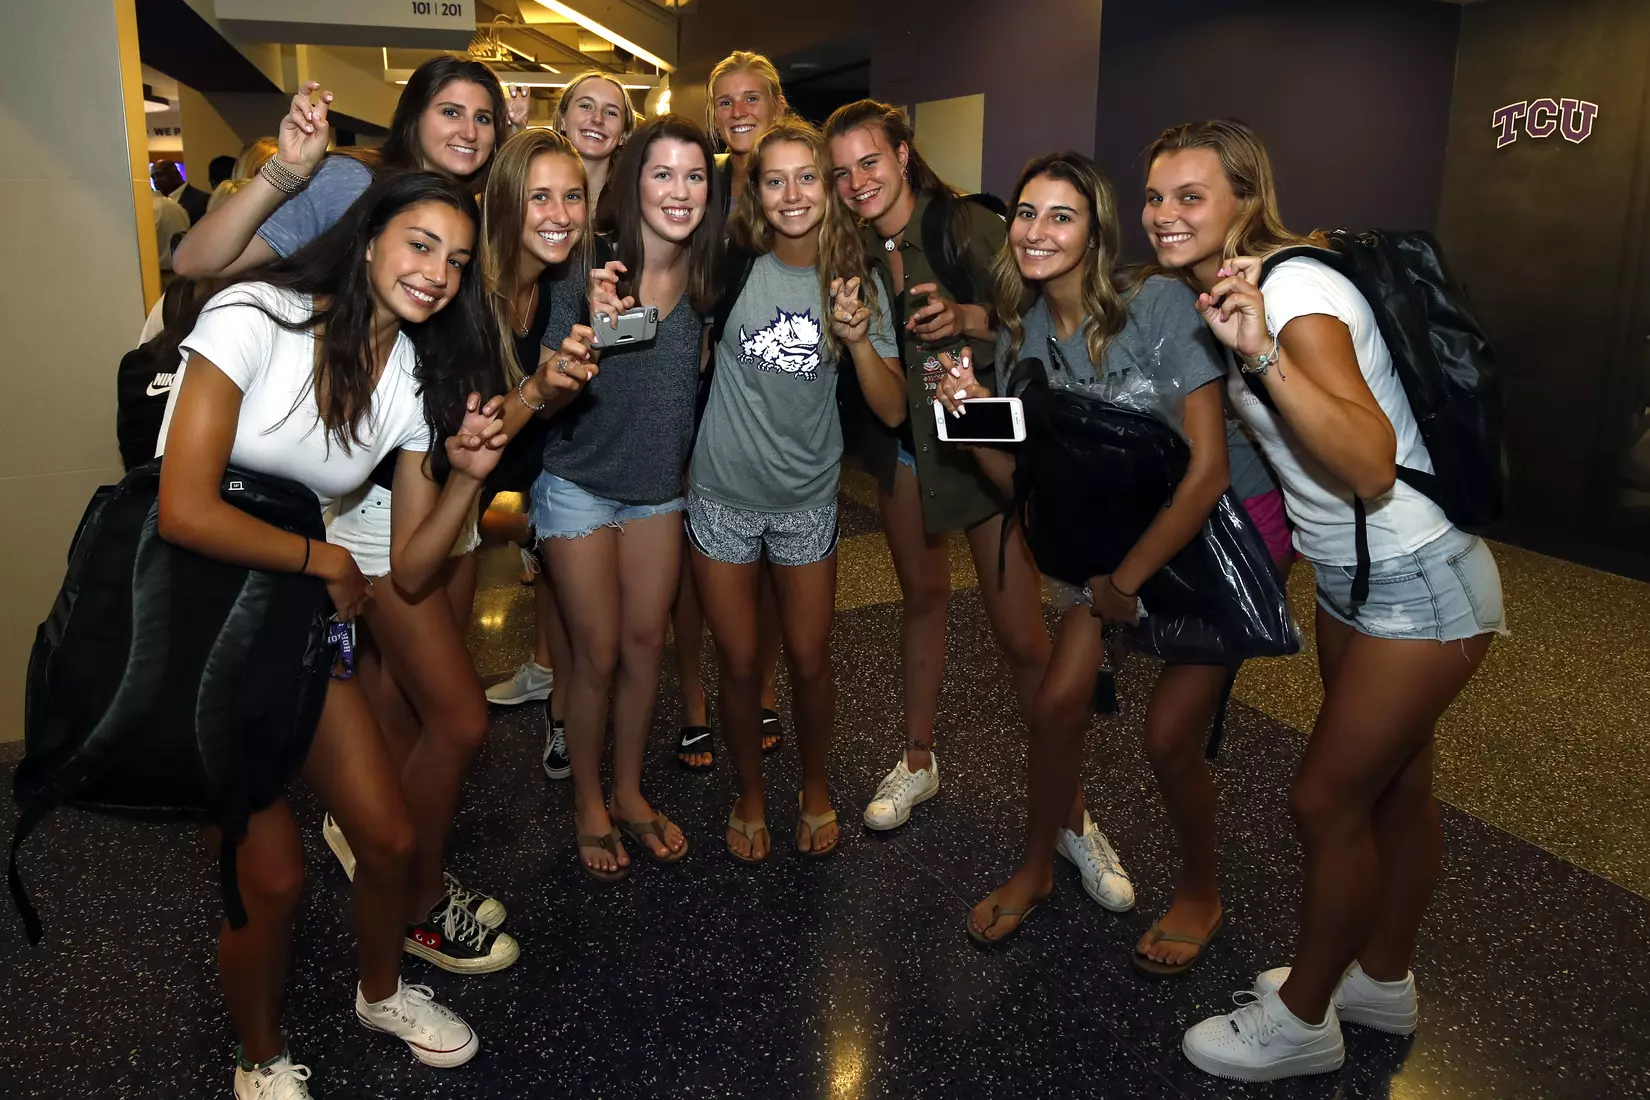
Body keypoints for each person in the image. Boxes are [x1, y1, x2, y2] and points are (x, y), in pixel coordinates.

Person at [1143, 120, 1504, 1082]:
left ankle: (1304, 1019)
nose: (1165, 215)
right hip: (1363, 580)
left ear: (1243, 203)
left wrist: (1260, 353)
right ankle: (1381, 979)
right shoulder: (1232, 290)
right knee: (1397, 791)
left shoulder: (1291, 295)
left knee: (1324, 798)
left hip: (1418, 581)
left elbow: (1367, 458)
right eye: (1154, 197)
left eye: (1191, 195)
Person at [156, 171, 501, 1100]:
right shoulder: (254, 315)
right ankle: (258, 1058)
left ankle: (380, 992)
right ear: (369, 238)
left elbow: (418, 567)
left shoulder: (409, 376)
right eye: (420, 244)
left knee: (386, 836)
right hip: (195, 626)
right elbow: (182, 508)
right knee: (269, 878)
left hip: (291, 628)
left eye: (457, 260)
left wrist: (469, 477)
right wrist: (327, 565)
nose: (437, 271)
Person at [938, 153, 1234, 948]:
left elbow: (1211, 471)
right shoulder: (1022, 329)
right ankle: (1037, 867)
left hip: (1196, 542)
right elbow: (1026, 483)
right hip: (1101, 553)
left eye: (1061, 216)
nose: (1038, 232)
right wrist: (966, 426)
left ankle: (1201, 892)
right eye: (1027, 214)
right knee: (1057, 703)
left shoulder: (1159, 303)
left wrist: (1127, 583)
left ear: (1096, 229)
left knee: (1169, 741)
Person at [824, 100, 1052, 837]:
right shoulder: (855, 251)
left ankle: (1068, 805)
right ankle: (917, 759)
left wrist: (967, 318)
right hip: (903, 450)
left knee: (1021, 635)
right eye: (842, 172)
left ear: (901, 153)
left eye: (869, 161)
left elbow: (1044, 319)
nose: (858, 181)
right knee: (921, 603)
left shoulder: (967, 227)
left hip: (980, 450)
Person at [685, 118, 906, 861]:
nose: (791, 194)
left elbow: (892, 407)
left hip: (807, 499)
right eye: (774, 179)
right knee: (741, 662)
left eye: (807, 176)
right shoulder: (734, 265)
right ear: (756, 191)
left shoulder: (859, 278)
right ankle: (750, 794)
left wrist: (857, 339)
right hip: (719, 493)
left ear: (831, 186)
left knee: (810, 661)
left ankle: (815, 786)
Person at [528, 115, 724, 878]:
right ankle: (587, 800)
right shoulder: (586, 270)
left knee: (647, 651)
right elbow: (539, 389)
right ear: (635, 179)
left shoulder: (710, 282)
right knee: (598, 654)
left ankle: (631, 791)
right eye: (662, 174)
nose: (679, 191)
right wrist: (587, 334)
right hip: (576, 483)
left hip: (655, 495)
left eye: (694, 176)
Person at [674, 49, 792, 772]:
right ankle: (694, 703)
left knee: (777, 558)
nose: (739, 111)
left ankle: (762, 687)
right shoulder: (704, 184)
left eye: (753, 98)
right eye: (726, 101)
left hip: (776, 396)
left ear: (777, 106)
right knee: (697, 559)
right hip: (694, 389)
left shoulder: (795, 183)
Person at [475, 128, 597, 785]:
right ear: (503, 203)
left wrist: (567, 379)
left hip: (487, 499)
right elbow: (465, 441)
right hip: (421, 504)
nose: (559, 214)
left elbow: (545, 413)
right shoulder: (470, 292)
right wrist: (539, 390)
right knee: (443, 712)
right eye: (539, 197)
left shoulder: (549, 288)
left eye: (571, 196)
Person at [174, 56, 525, 281]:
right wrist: (287, 168)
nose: (469, 132)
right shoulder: (354, 181)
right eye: (450, 112)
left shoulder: (475, 210)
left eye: (483, 118)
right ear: (413, 118)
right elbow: (193, 262)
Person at [554, 70, 636, 223]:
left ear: (624, 135)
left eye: (611, 112)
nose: (598, 118)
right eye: (586, 106)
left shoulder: (634, 208)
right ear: (563, 119)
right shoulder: (532, 192)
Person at [154, 158, 210, 224]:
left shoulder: (202, 199)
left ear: (176, 174)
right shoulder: (159, 205)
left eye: (159, 175)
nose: (156, 180)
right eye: (153, 177)